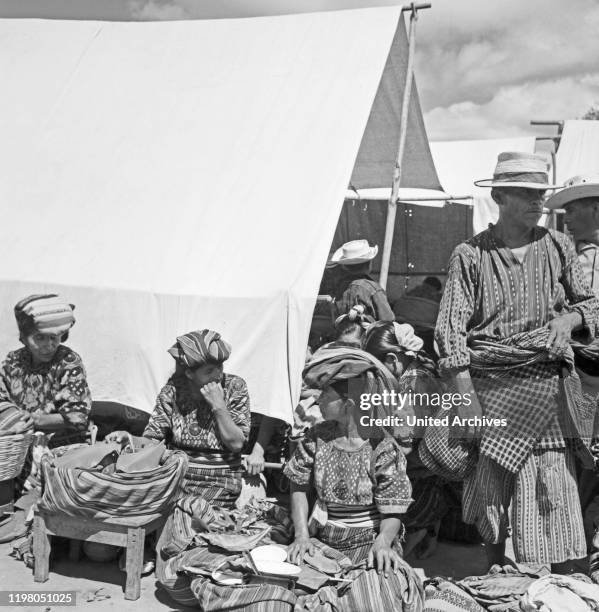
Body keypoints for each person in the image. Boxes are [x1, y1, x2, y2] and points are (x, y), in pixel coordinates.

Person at [435, 152, 599, 573]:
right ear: (500, 198)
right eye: (525, 194)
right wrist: (465, 396)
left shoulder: (559, 246)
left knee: (550, 483)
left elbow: (593, 306)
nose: (536, 201)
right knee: (490, 484)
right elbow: (449, 332)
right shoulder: (470, 255)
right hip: (490, 384)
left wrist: (569, 317)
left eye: (539, 193)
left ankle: (549, 576)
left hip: (547, 380)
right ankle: (497, 572)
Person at [284, 345, 424, 610]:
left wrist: (383, 542)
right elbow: (298, 484)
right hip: (323, 540)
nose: (317, 400)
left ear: (348, 405)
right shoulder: (316, 437)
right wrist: (301, 535)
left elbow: (393, 506)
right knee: (283, 587)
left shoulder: (382, 447)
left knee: (378, 596)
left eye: (325, 394)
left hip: (367, 541)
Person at [107, 330, 250, 558]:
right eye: (210, 371)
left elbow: (236, 444)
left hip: (220, 482)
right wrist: (129, 438)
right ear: (190, 373)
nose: (218, 376)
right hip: (176, 478)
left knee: (190, 515)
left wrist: (219, 406)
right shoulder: (172, 392)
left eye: (220, 368)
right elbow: (152, 439)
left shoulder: (234, 388)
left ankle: (173, 547)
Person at [362, 321, 447, 557]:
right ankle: (427, 529)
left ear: (392, 359)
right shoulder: (421, 371)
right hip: (431, 466)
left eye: (377, 367)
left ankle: (417, 531)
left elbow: (404, 448)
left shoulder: (410, 386)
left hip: (422, 471)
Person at [0, 294, 90, 447]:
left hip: (60, 444)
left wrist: (36, 420)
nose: (48, 346)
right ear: (23, 337)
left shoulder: (68, 362)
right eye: (40, 338)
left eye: (54, 338)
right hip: (16, 444)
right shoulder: (12, 362)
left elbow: (77, 416)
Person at [330, 239, 395, 322]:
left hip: (345, 333)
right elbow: (388, 320)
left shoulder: (339, 287)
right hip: (368, 334)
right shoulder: (372, 289)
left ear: (345, 266)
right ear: (369, 265)